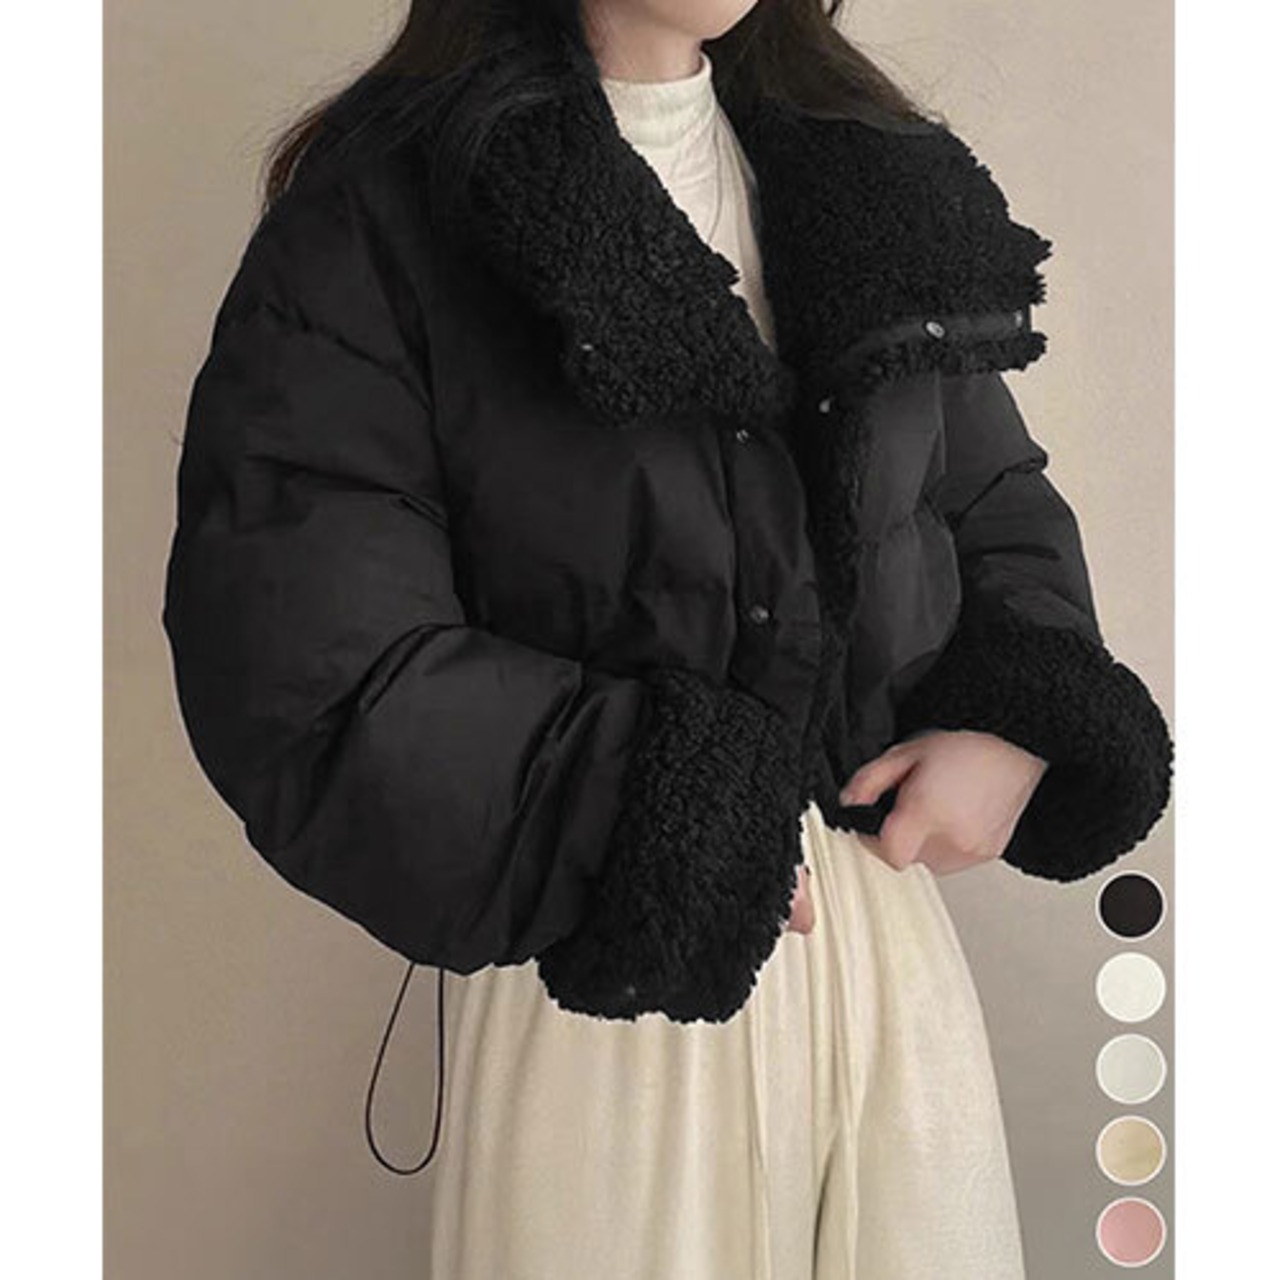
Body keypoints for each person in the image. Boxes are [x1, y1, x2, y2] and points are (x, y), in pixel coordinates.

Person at [161, 2, 1174, 1277]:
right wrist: (658, 816)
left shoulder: (868, 170)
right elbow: (308, 659)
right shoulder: (392, 216)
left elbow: (987, 502)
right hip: (605, 975)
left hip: (885, 958)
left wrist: (1014, 722)